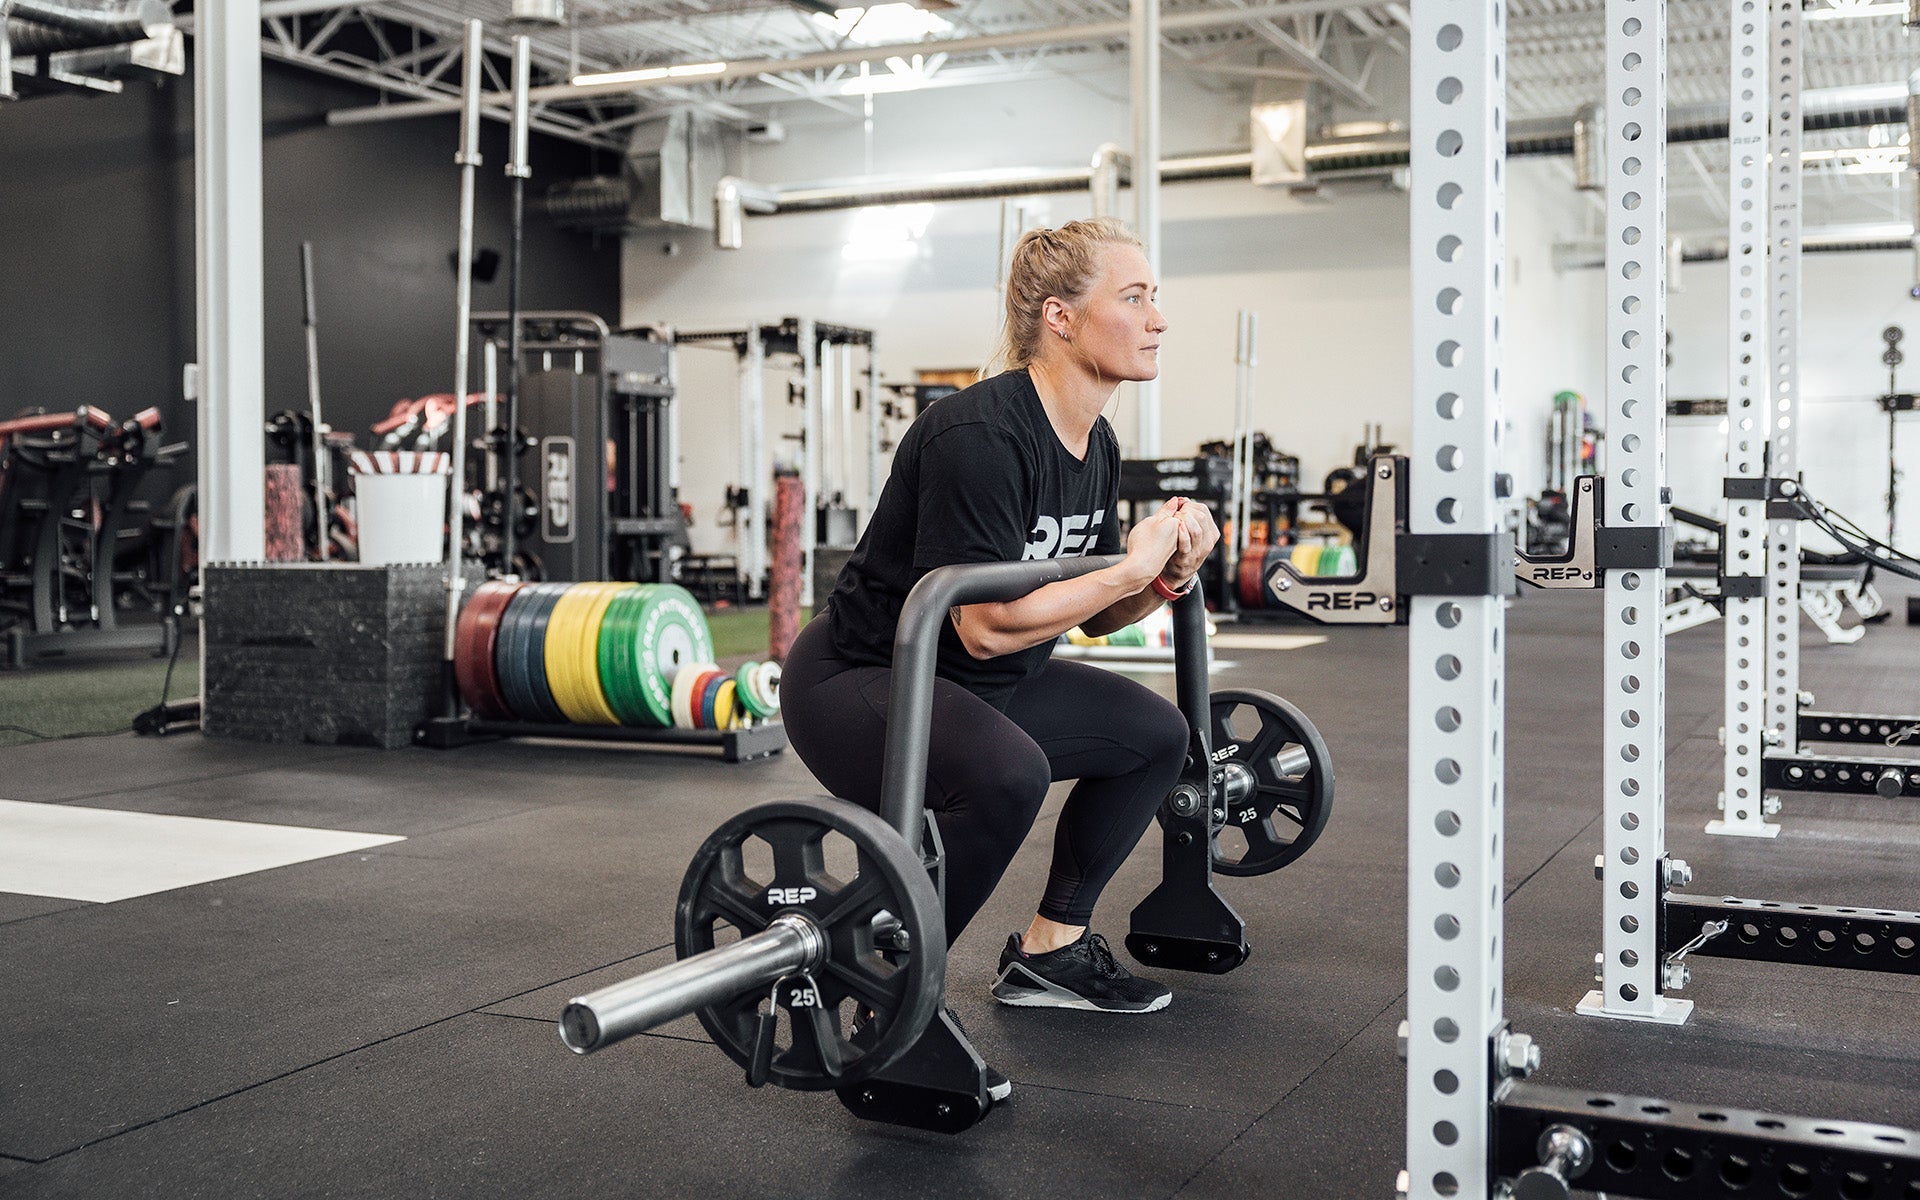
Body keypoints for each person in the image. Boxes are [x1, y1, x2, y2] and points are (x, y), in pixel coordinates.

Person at [782, 217, 1218, 1084]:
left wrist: (1167, 572)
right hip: (868, 680)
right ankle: (892, 981)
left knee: (1155, 738)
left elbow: (1091, 615)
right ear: (1060, 316)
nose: (1158, 318)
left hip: (983, 685)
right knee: (1007, 775)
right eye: (1134, 298)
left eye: (1154, 298)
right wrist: (1126, 567)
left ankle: (1050, 952)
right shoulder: (977, 433)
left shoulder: (1094, 443)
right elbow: (981, 622)